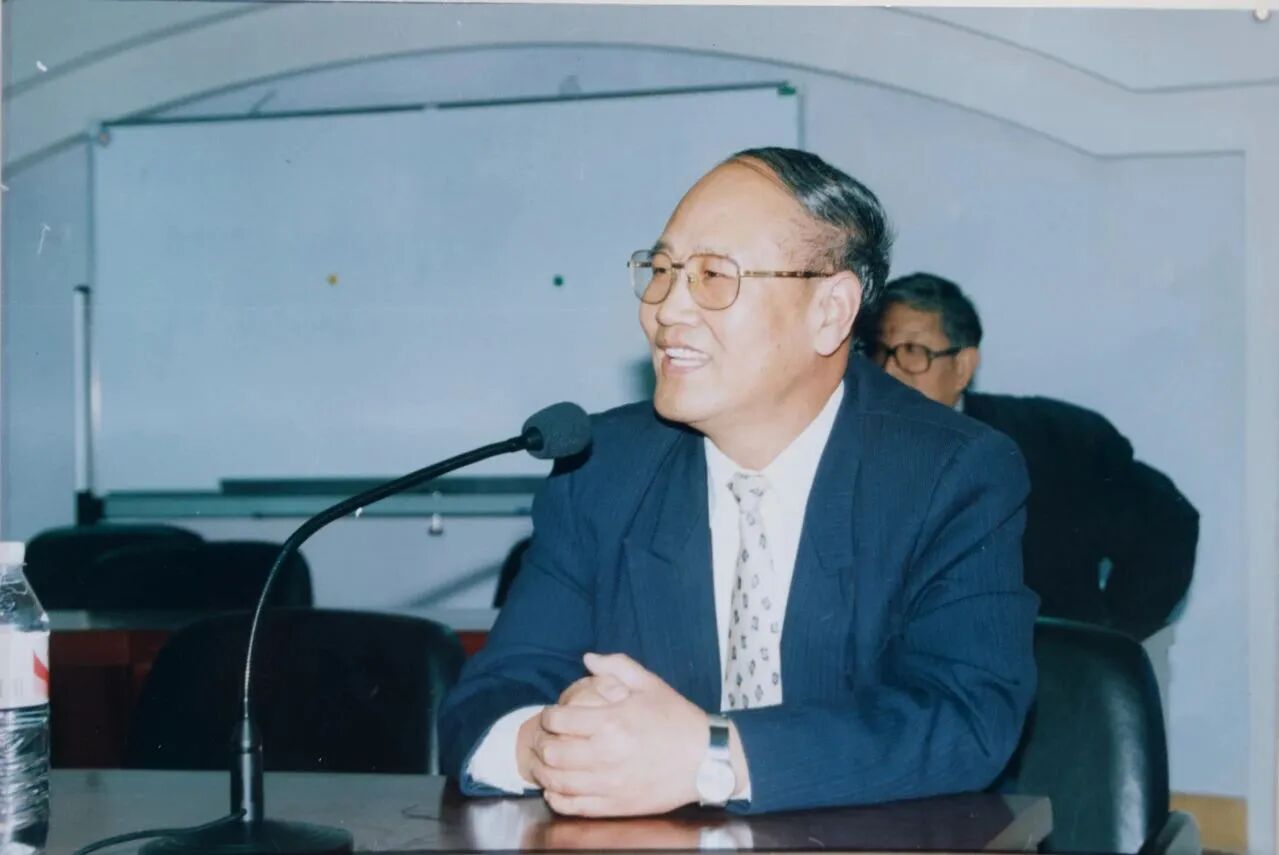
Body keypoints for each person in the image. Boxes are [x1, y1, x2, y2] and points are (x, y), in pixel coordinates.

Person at [439, 148, 1037, 817]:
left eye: (713, 276)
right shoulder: (603, 468)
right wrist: (549, 745)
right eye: (661, 270)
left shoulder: (948, 472)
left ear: (830, 310)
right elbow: (490, 700)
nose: (665, 310)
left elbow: (967, 717)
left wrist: (713, 756)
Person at [861, 272, 1198, 640]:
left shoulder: (1055, 442)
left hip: (1041, 666)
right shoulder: (849, 451)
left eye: (912, 352)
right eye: (879, 351)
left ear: (962, 367)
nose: (887, 372)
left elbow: (1169, 521)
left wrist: (1108, 641)